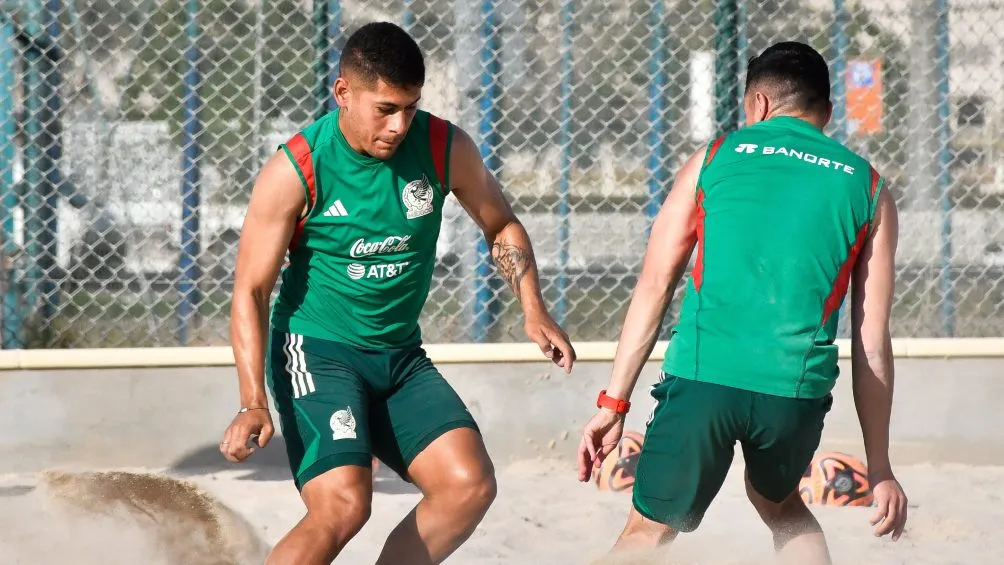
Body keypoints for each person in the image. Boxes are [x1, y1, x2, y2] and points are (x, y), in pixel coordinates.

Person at [219, 21, 576, 565]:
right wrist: (252, 401)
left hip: (399, 357)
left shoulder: (442, 146)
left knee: (468, 486)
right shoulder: (298, 167)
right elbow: (250, 289)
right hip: (316, 350)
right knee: (343, 506)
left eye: (410, 107)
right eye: (385, 108)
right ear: (343, 94)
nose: (399, 124)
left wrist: (534, 310)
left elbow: (500, 223)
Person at [576, 41, 907, 565]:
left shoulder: (715, 157)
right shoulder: (868, 186)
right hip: (793, 395)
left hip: (706, 377)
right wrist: (881, 468)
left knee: (647, 532)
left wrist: (614, 404)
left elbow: (655, 283)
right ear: (826, 111)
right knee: (780, 505)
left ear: (758, 103)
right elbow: (872, 343)